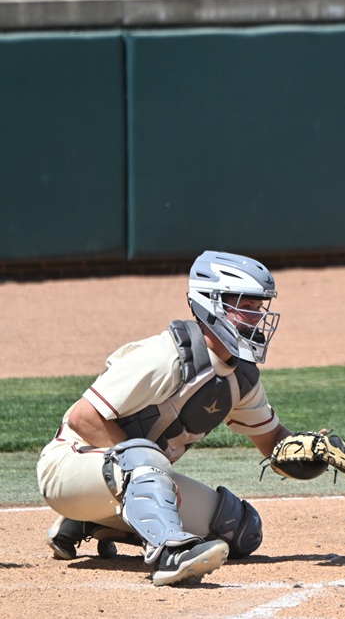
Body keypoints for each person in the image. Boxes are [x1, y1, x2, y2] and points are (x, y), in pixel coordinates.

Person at [38, 251, 304, 586]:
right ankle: (169, 554)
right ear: (212, 303)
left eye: (258, 308)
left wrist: (307, 452)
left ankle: (88, 523)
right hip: (68, 468)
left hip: (128, 479)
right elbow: (83, 418)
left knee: (240, 531)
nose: (256, 318)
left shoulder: (241, 378)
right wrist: (145, 465)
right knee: (146, 462)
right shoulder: (164, 357)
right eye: (245, 306)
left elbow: (272, 441)